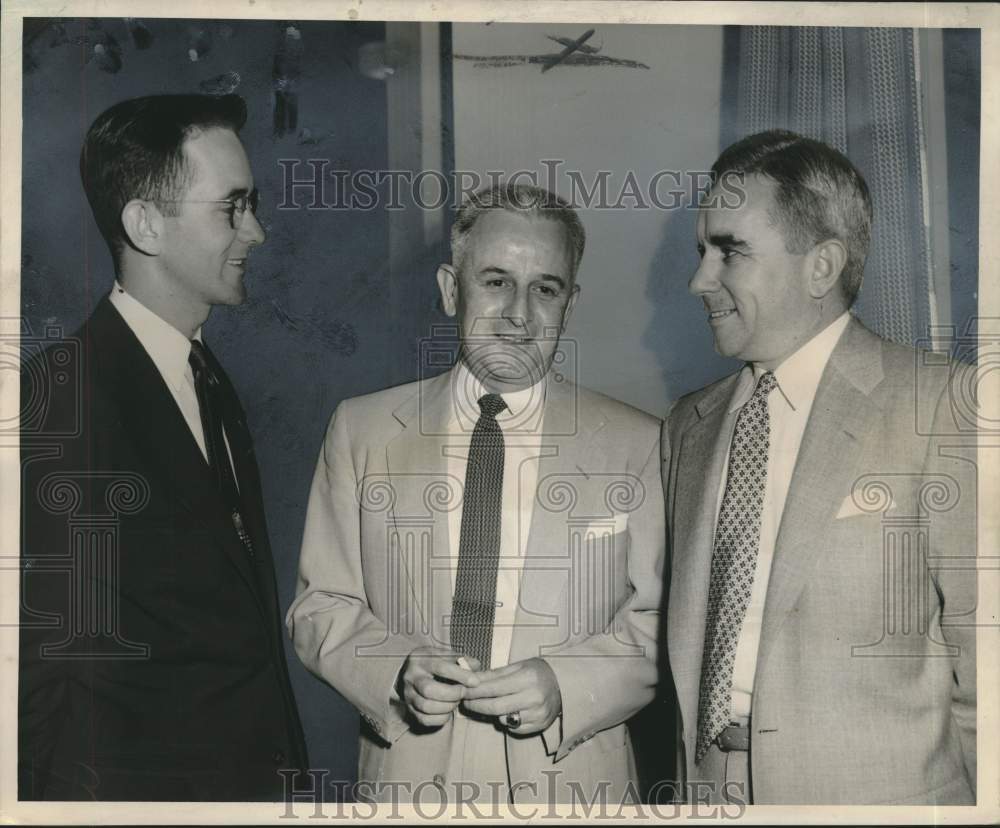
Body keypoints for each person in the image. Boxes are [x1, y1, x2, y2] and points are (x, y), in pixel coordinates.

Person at [288, 183, 663, 805]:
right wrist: (395, 670)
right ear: (448, 288)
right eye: (495, 281)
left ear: (570, 302)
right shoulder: (363, 429)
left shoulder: (639, 442)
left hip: (570, 783)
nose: (519, 313)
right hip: (408, 781)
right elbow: (321, 606)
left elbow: (663, 623)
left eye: (545, 287)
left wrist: (568, 684)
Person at [662, 129, 976, 805]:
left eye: (729, 252)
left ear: (821, 266)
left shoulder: (943, 404)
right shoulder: (688, 425)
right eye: (700, 252)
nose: (698, 282)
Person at [18, 94, 307, 801]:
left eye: (254, 204)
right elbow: (41, 672)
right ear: (145, 223)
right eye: (232, 207)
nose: (257, 232)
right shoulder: (63, 396)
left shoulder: (209, 380)